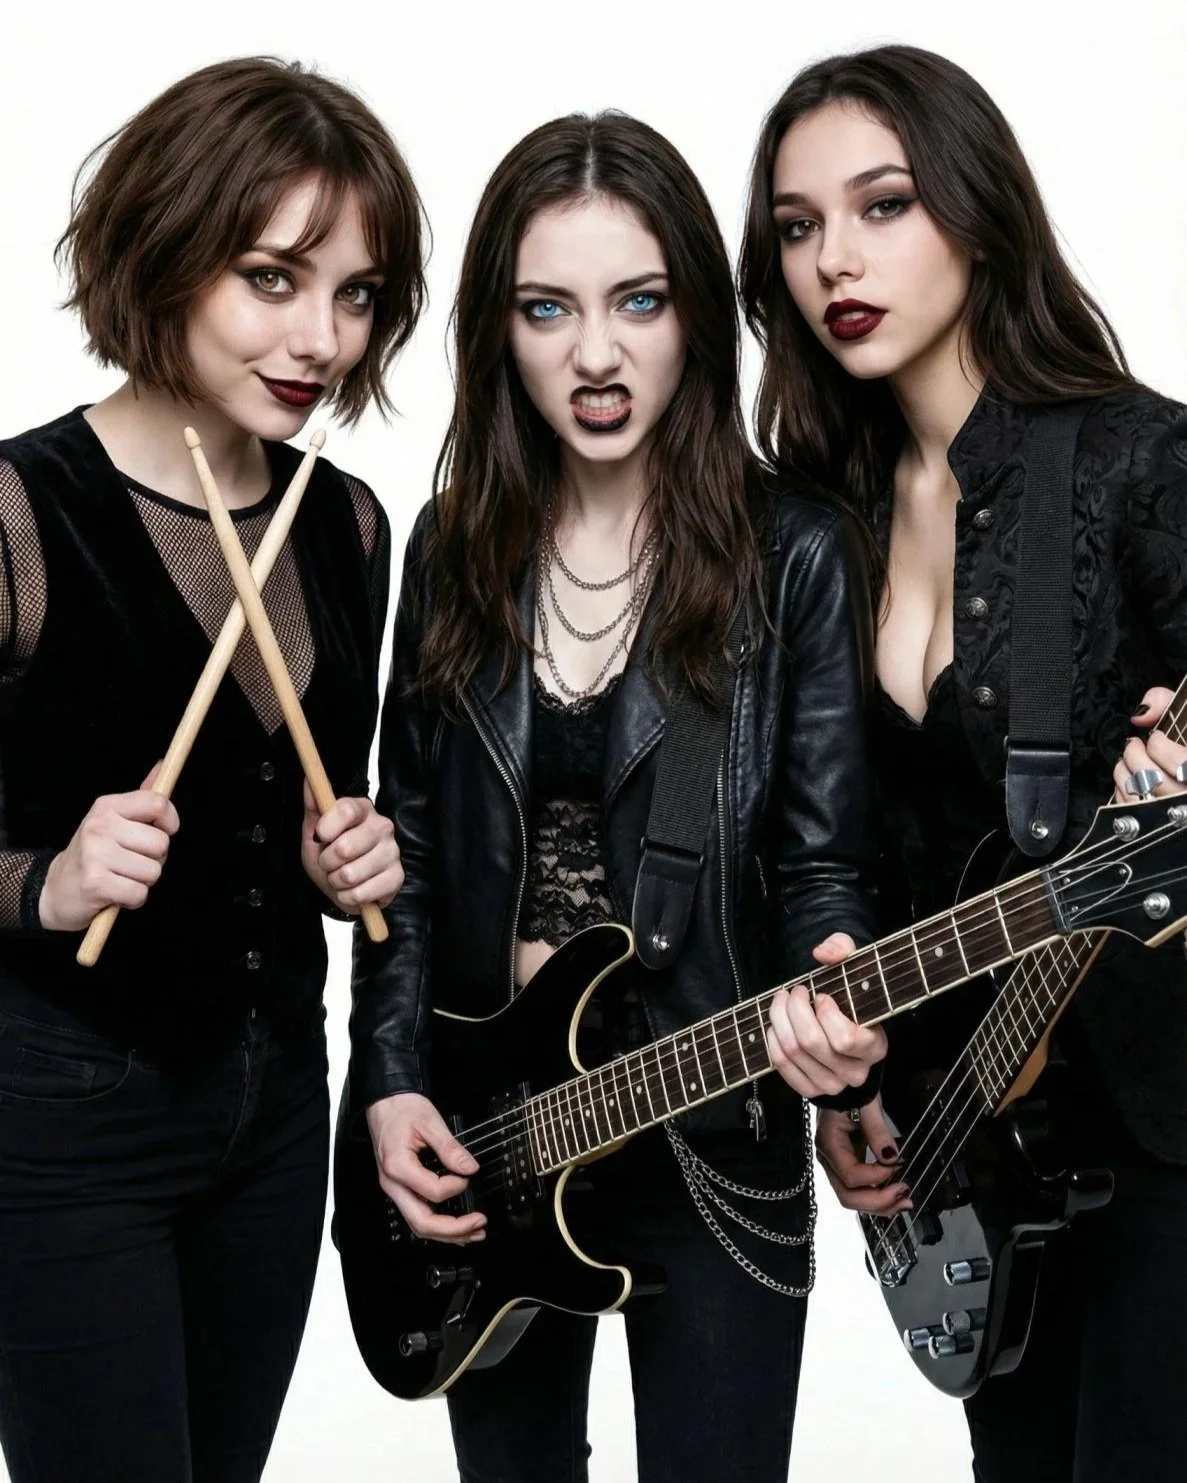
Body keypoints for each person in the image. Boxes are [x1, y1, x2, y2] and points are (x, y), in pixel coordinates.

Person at [348, 111, 885, 1483]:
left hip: (712, 1122)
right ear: (498, 329)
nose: (595, 354)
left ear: (693, 315)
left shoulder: (795, 554)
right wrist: (393, 1081)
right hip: (493, 1133)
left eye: (636, 301)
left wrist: (835, 988)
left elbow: (822, 858)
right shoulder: (457, 542)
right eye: (548, 308)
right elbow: (402, 843)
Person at [740, 43, 1187, 1482]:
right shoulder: (815, 525)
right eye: (797, 227)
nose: (832, 260)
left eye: (881, 206)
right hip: (976, 1149)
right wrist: (839, 1071)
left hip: (1165, 1124)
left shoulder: (1135, 461)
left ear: (978, 215)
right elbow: (824, 851)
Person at [0, 56, 425, 1483]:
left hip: (272, 1110)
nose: (321, 334)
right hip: (62, 1111)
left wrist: (336, 859)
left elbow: (291, 811)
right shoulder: (16, 510)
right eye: (271, 277)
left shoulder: (348, 527)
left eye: (355, 293)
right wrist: (46, 881)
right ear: (167, 252)